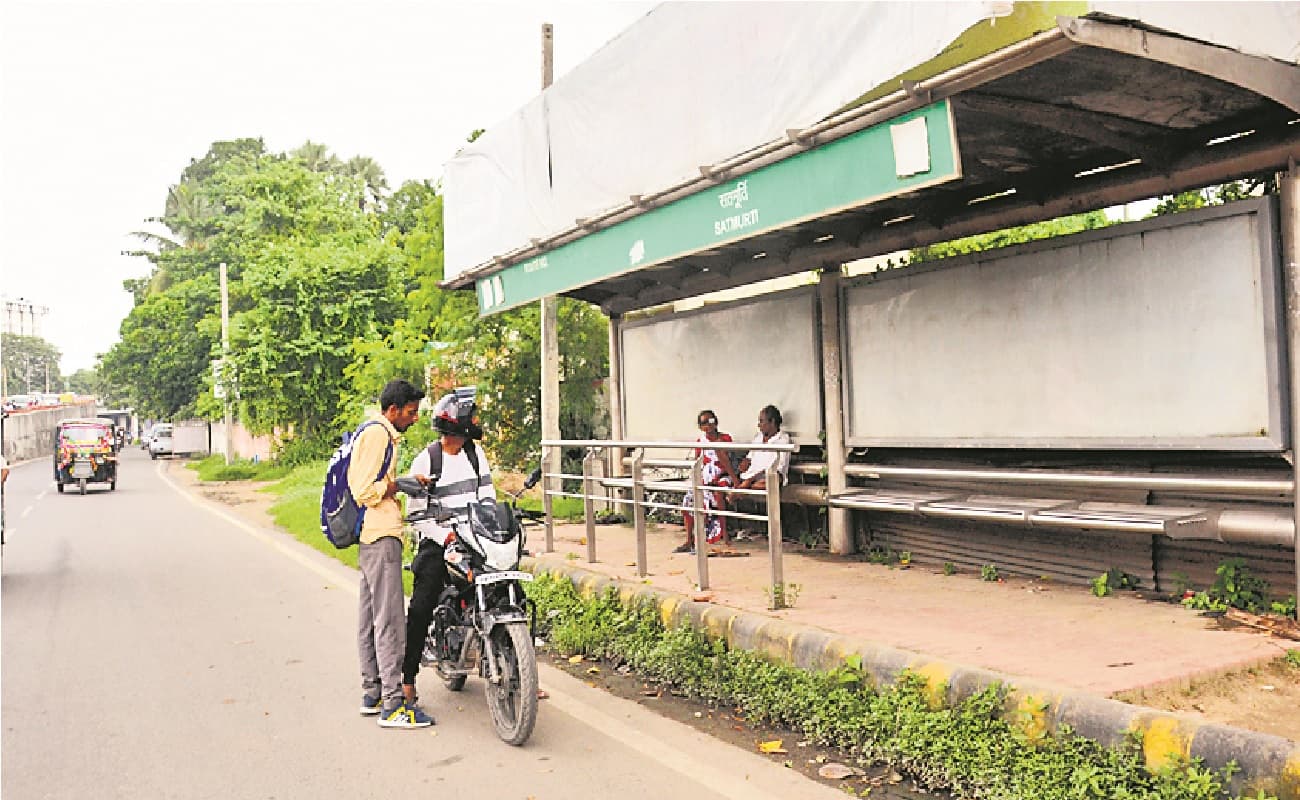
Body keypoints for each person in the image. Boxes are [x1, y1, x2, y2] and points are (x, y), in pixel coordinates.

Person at [400, 388, 495, 707]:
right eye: (473, 417)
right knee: (421, 606)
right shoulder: (427, 459)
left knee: (511, 592)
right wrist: (446, 538)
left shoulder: (475, 454)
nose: (477, 421)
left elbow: (488, 498)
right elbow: (415, 514)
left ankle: (521, 672)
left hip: (476, 539)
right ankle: (408, 679)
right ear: (460, 424)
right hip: (440, 540)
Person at [351, 378, 433, 729]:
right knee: (389, 621)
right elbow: (364, 490)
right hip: (381, 535)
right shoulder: (379, 434)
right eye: (411, 412)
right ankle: (393, 704)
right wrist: (399, 484)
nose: (414, 419)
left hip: (373, 536)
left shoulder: (377, 433)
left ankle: (373, 693)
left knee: (370, 618)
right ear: (394, 409)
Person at [676, 409, 739, 553]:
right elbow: (699, 463)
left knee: (717, 492)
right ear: (700, 427)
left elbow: (728, 462)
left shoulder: (725, 438)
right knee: (689, 501)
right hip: (705, 477)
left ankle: (724, 535)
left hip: (723, 475)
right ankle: (689, 540)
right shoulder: (700, 442)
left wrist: (717, 478)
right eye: (705, 423)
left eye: (711, 421)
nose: (709, 425)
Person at [735, 405, 792, 492]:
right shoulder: (758, 437)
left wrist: (751, 480)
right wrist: (745, 462)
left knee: (767, 483)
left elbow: (780, 468)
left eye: (761, 421)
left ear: (772, 422)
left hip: (768, 477)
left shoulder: (783, 440)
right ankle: (743, 488)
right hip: (749, 477)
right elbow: (749, 458)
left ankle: (740, 490)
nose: (759, 425)